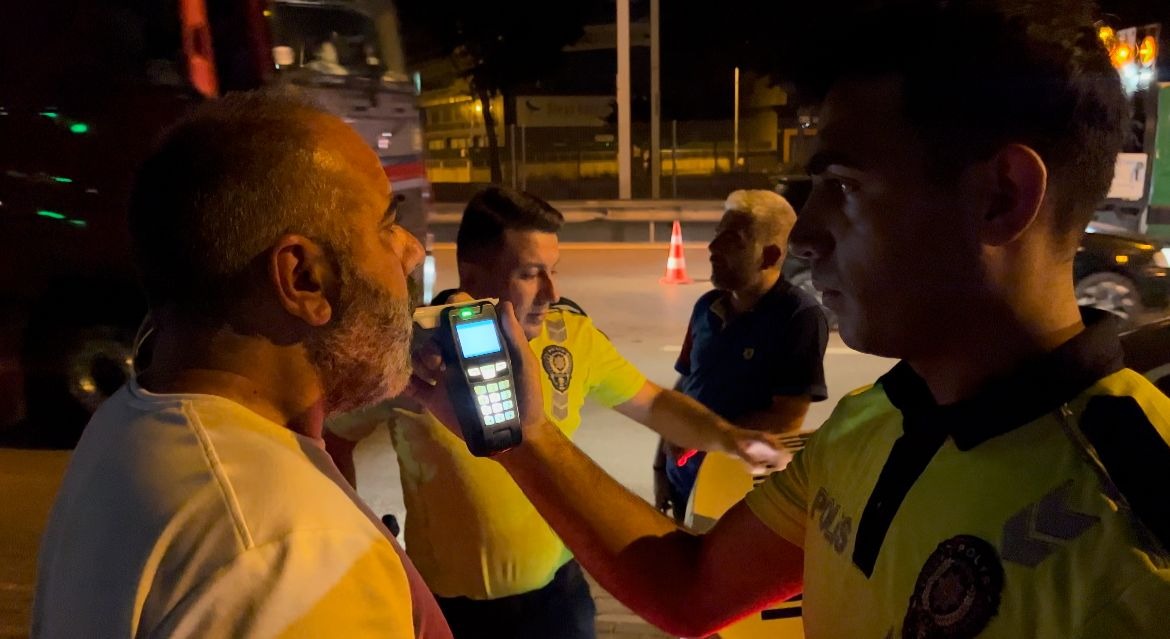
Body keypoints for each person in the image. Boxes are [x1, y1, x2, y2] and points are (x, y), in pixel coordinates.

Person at [408, 2, 1170, 637]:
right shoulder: (866, 425)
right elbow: (691, 588)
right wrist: (520, 433)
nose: (802, 238)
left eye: (842, 185)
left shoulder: (1135, 533)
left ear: (1000, 196)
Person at [32, 91, 451, 638]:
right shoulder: (296, 550)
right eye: (385, 225)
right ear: (303, 279)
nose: (411, 250)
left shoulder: (131, 422)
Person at [325, 186, 782, 639]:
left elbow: (655, 403)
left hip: (557, 600)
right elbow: (335, 438)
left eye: (553, 271)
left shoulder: (572, 337)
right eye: (529, 273)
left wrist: (730, 438)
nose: (551, 292)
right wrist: (362, 537)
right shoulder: (417, 357)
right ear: (472, 274)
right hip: (451, 609)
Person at [655, 189, 829, 522]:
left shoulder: (798, 316)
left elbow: (788, 417)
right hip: (682, 480)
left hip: (734, 494)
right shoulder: (706, 307)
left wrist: (704, 437)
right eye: (716, 236)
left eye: (732, 241)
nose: (712, 249)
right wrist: (660, 469)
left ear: (769, 255)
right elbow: (685, 387)